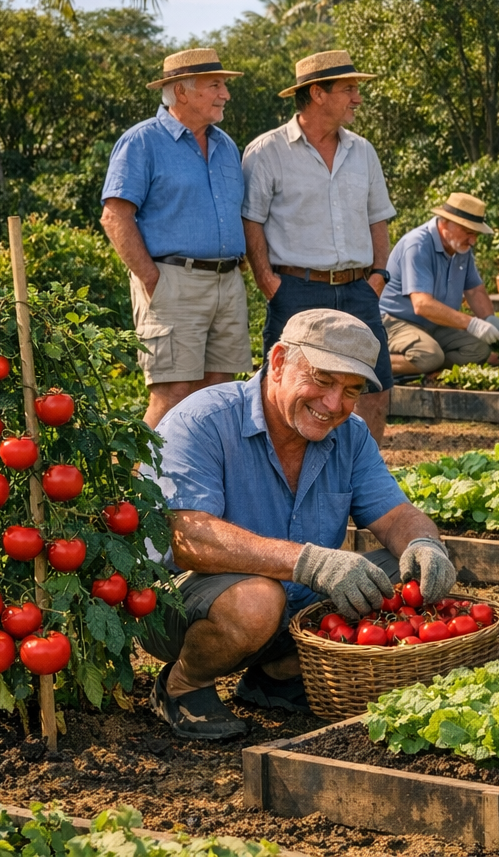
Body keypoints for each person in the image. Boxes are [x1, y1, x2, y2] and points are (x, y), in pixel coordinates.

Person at [142, 309, 457, 740]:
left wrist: (425, 543)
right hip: (182, 608)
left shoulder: (352, 436)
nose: (334, 404)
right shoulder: (204, 420)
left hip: (291, 608)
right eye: (323, 381)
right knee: (257, 600)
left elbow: (397, 515)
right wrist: (309, 563)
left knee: (401, 570)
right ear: (277, 362)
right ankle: (182, 685)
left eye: (351, 390)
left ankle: (275, 675)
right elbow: (187, 538)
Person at [242, 51, 397, 442]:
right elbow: (251, 221)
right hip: (296, 290)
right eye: (349, 89)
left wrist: (378, 276)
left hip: (358, 289)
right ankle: (284, 478)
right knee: (285, 392)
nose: (357, 99)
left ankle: (364, 484)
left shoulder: (363, 151)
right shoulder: (266, 151)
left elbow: (378, 218)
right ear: (317, 93)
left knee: (375, 389)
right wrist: (268, 282)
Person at [100, 49, 250, 427]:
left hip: (227, 282)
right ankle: (142, 485)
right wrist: (152, 279)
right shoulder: (142, 142)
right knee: (174, 392)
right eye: (215, 85)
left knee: (220, 394)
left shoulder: (226, 145)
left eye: (224, 85)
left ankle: (197, 482)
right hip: (173, 280)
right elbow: (115, 216)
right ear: (181, 92)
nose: (225, 94)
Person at [380, 192, 499, 376]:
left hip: (436, 324)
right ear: (447, 222)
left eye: (476, 234)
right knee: (429, 355)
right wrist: (472, 324)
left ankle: (428, 368)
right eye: (469, 232)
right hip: (395, 321)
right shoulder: (417, 245)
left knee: (480, 349)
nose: (473, 241)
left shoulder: (461, 249)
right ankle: (370, 364)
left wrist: (490, 321)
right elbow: (422, 305)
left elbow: (475, 291)